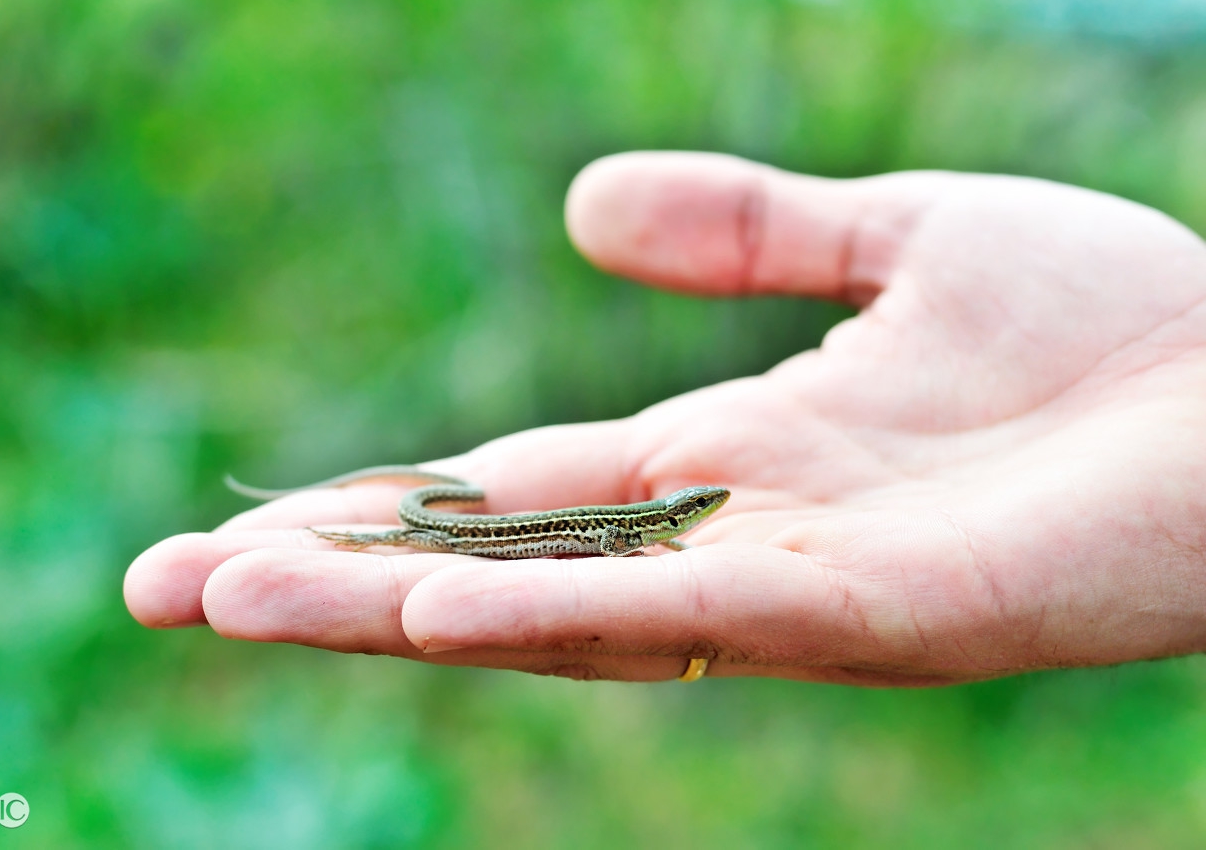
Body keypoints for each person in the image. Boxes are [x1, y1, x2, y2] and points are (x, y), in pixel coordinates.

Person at [124, 151, 1206, 686]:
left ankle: (375, 518)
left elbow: (623, 533)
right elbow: (600, 533)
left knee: (434, 543)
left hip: (500, 531)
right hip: (476, 530)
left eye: (693, 507)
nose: (704, 505)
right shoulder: (635, 526)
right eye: (696, 506)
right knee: (412, 531)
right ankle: (357, 520)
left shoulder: (651, 527)